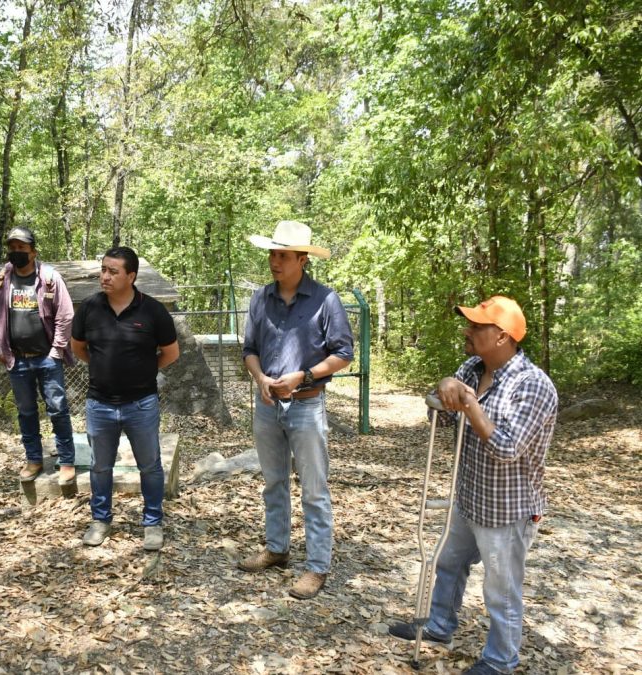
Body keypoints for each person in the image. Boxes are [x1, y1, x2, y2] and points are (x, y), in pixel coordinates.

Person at [388, 295, 558, 675]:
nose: (467, 330)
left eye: (477, 326)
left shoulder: (533, 385)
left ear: (502, 336)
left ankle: (499, 661)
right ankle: (439, 625)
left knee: (501, 591)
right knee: (449, 562)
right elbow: (443, 414)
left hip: (507, 510)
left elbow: (507, 448)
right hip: (469, 497)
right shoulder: (472, 367)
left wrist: (470, 404)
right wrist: (444, 386)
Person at [238, 220, 354, 600]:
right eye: (272, 254)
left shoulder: (326, 300)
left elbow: (343, 353)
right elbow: (249, 350)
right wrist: (260, 378)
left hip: (306, 405)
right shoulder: (260, 299)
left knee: (314, 489)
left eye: (283, 256)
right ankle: (277, 548)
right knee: (274, 481)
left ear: (302, 259)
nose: (275, 261)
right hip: (267, 405)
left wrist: (303, 376)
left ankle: (317, 566)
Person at [71, 247, 180, 551]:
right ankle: (100, 520)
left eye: (113, 271)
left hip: (141, 405)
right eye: (103, 269)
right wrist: (101, 367)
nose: (105, 276)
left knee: (150, 466)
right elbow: (78, 347)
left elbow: (171, 353)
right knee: (100, 466)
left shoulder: (153, 311)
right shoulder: (90, 308)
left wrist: (144, 371)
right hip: (99, 404)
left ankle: (152, 523)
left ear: (131, 276)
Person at [0, 227, 77, 484]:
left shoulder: (49, 278)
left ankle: (67, 461)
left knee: (58, 409)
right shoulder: (0, 281)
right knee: (25, 411)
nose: (16, 252)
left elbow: (65, 315)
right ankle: (34, 459)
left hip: (47, 358)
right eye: (12, 248)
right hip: (17, 359)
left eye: (21, 248)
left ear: (33, 252)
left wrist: (57, 350)